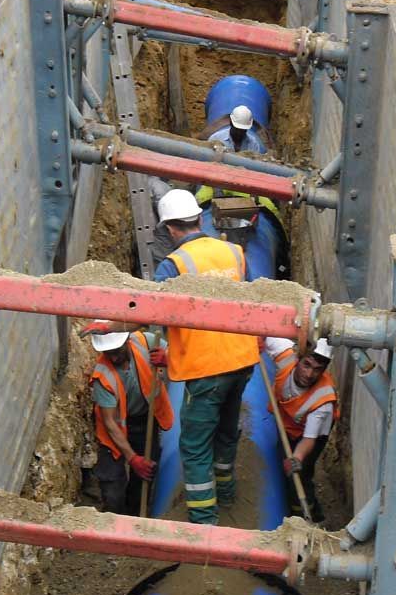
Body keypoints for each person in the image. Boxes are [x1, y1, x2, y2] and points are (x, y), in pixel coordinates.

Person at [84, 190, 259, 524]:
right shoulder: (235, 252)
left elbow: (149, 314)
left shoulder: (174, 265)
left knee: (194, 447)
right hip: (242, 362)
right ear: (198, 219)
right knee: (225, 432)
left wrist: (110, 324)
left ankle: (204, 521)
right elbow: (254, 301)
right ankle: (228, 493)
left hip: (205, 369)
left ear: (170, 229)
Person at [89, 323, 173, 516]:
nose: (115, 357)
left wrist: (167, 358)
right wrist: (133, 458)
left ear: (127, 340)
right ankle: (115, 523)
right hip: (115, 431)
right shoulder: (103, 375)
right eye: (109, 353)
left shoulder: (146, 341)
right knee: (112, 490)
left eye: (117, 351)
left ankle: (137, 517)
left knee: (145, 476)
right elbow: (110, 423)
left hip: (145, 420)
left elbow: (179, 356)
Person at [264, 336, 338, 523]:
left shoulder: (323, 402)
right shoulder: (286, 356)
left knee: (300, 474)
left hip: (312, 433)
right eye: (307, 365)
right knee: (282, 462)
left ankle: (308, 517)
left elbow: (309, 439)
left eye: (317, 370)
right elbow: (265, 332)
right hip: (288, 422)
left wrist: (296, 458)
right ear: (298, 358)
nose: (309, 374)